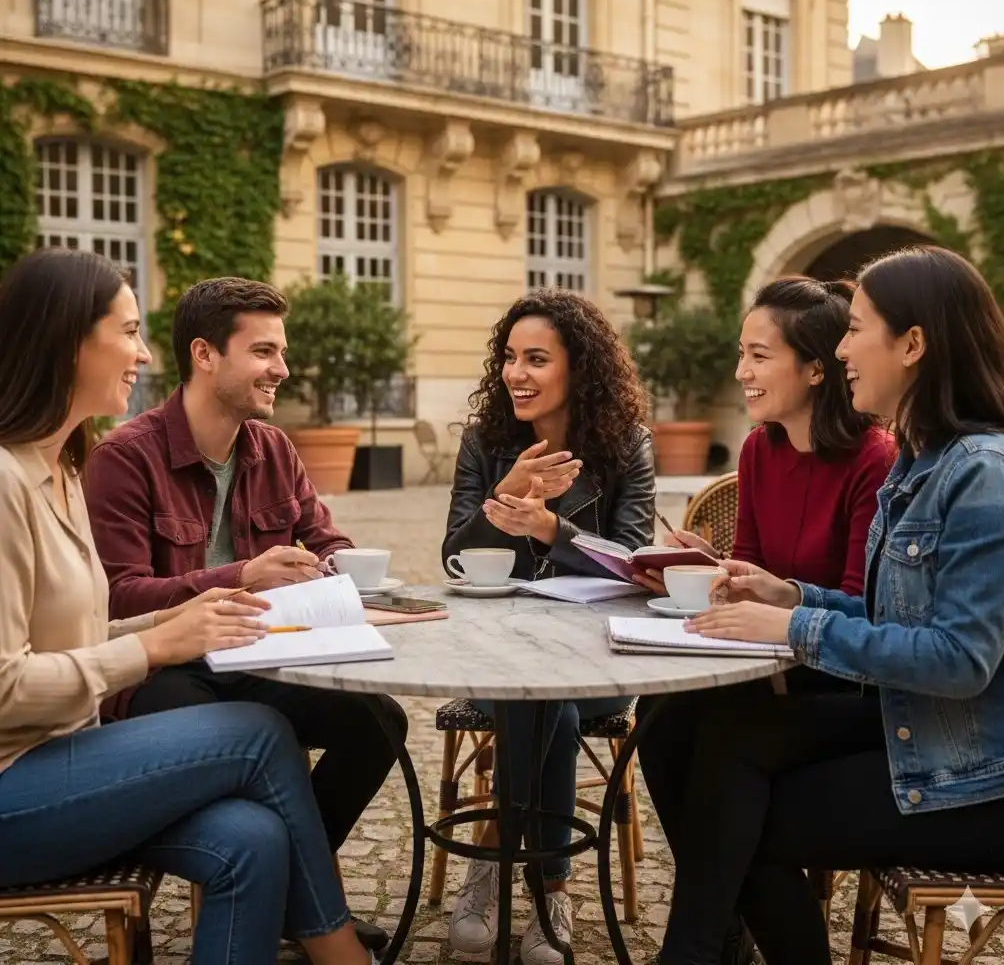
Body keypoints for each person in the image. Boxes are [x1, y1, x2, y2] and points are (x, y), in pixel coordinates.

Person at [0, 247, 376, 965]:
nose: (143, 352)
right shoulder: (7, 482)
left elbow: (86, 630)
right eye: (129, 331)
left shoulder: (61, 469)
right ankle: (341, 954)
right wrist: (156, 646)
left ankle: (314, 931)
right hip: (15, 779)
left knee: (253, 840)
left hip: (64, 752)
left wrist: (182, 618)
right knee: (259, 732)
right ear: (68, 340)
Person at [655, 246, 1004, 965]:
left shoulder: (987, 476)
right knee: (716, 735)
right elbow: (890, 620)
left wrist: (796, 625)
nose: (843, 347)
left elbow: (960, 660)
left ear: (913, 345)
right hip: (919, 723)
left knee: (734, 818)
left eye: (855, 329)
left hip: (987, 775)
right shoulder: (928, 461)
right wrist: (790, 594)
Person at [84, 276, 406, 954]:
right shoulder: (125, 457)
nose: (281, 369)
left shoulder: (273, 449)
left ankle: (293, 889)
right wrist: (238, 576)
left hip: (259, 655)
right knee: (255, 730)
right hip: (160, 670)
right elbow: (113, 599)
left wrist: (353, 575)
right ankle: (312, 910)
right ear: (206, 355)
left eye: (279, 352)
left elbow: (324, 539)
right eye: (263, 352)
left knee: (379, 719)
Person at [634, 276, 895, 963]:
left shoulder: (874, 458)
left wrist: (775, 596)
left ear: (815, 367)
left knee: (726, 756)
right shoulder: (759, 450)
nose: (741, 372)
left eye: (757, 355)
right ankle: (719, 935)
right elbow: (746, 570)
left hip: (841, 679)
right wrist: (710, 568)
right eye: (741, 353)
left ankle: (703, 943)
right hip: (764, 662)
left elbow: (862, 604)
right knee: (658, 719)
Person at [442, 289, 655, 964]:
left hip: (598, 659)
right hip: (499, 657)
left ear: (578, 369)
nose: (516, 374)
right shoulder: (487, 442)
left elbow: (634, 565)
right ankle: (544, 882)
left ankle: (501, 860)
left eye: (537, 359)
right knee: (535, 697)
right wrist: (505, 498)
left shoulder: (626, 449)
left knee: (552, 697)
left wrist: (551, 528)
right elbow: (453, 557)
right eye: (509, 358)